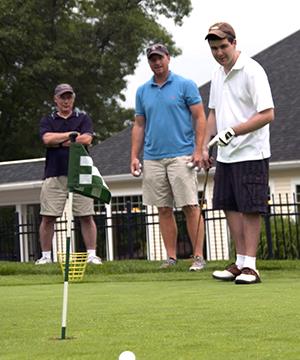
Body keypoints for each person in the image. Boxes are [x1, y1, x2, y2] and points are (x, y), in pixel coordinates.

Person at [203, 23, 275, 284]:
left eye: (223, 46)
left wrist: (234, 131)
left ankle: (252, 267)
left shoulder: (252, 71)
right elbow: (213, 113)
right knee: (230, 206)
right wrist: (204, 145)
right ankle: (241, 261)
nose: (219, 52)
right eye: (214, 48)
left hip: (251, 152)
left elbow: (267, 114)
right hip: (225, 154)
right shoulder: (217, 74)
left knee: (249, 208)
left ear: (233, 43)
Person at [131, 43, 207, 271]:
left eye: (160, 58)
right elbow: (139, 124)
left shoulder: (185, 85)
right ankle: (171, 258)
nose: (156, 62)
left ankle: (198, 257)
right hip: (153, 157)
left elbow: (200, 117)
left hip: (182, 156)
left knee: (190, 206)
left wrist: (198, 149)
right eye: (152, 59)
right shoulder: (142, 91)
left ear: (168, 58)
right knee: (163, 208)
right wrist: (135, 156)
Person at [35, 83, 102, 265]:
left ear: (73, 98)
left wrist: (60, 140)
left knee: (86, 215)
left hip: (81, 173)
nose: (66, 101)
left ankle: (91, 255)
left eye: (69, 97)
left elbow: (86, 139)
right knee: (48, 216)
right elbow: (47, 139)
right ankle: (46, 256)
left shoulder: (83, 118)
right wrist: (71, 135)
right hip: (54, 173)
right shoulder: (47, 120)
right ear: (55, 99)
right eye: (62, 97)